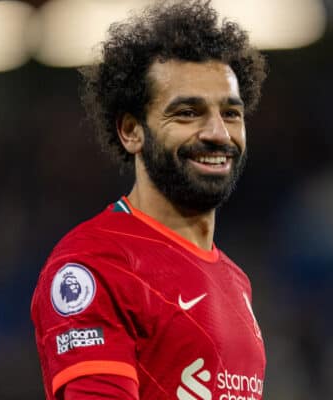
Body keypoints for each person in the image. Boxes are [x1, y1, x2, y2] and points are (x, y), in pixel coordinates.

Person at [30, 1, 268, 399]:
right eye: (188, 113)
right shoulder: (95, 264)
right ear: (130, 131)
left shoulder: (236, 281)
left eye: (230, 113)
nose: (218, 134)